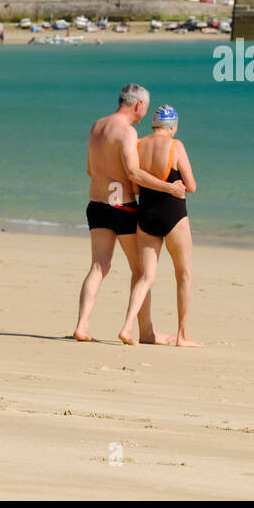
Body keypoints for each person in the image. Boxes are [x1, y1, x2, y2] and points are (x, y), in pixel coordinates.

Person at [74, 84, 186, 344]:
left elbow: (91, 169)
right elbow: (134, 174)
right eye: (145, 108)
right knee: (140, 271)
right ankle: (144, 331)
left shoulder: (97, 126)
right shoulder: (127, 131)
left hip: (96, 204)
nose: (145, 114)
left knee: (98, 266)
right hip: (121, 207)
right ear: (138, 105)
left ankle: (82, 324)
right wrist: (169, 187)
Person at [130, 105, 203, 348]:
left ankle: (139, 330)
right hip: (174, 215)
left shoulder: (138, 144)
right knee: (184, 275)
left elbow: (135, 187)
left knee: (144, 276)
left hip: (146, 214)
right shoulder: (175, 146)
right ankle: (183, 335)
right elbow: (191, 186)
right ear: (172, 127)